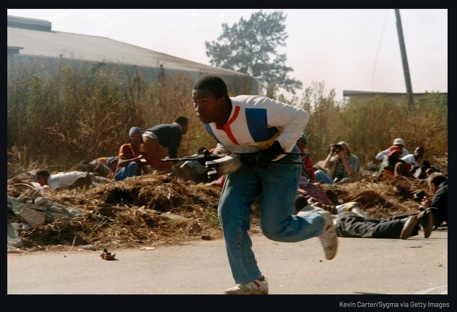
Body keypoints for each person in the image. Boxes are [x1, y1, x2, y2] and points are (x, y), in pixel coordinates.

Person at [191, 75, 338, 295]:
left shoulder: (255, 109)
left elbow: (301, 116)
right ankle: (251, 281)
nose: (198, 109)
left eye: (204, 102)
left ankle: (320, 223)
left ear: (222, 100)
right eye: (195, 103)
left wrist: (276, 149)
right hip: (246, 163)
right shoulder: (210, 124)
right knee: (228, 211)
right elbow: (228, 144)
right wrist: (214, 157)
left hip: (281, 163)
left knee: (275, 229)